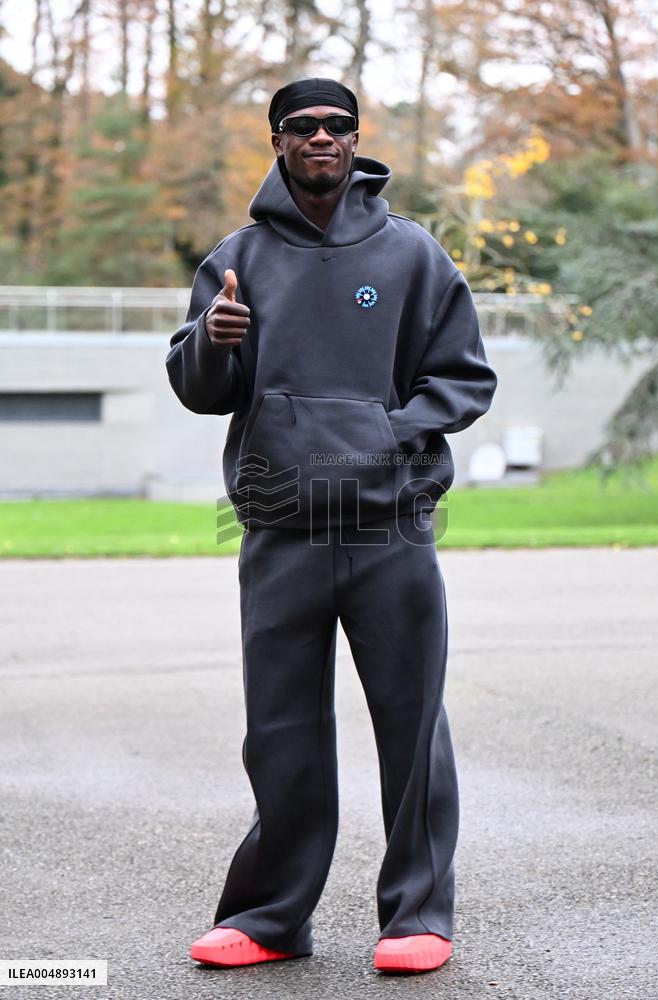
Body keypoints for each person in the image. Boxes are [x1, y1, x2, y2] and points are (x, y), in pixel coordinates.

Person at [165, 77, 498, 975]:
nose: (321, 137)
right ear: (277, 142)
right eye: (302, 126)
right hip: (281, 525)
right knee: (278, 728)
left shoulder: (413, 254)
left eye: (337, 126)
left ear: (356, 141)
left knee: (412, 721)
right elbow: (199, 390)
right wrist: (215, 340)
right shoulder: (237, 258)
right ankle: (270, 916)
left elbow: (464, 380)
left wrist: (380, 434)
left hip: (392, 524)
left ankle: (417, 916)